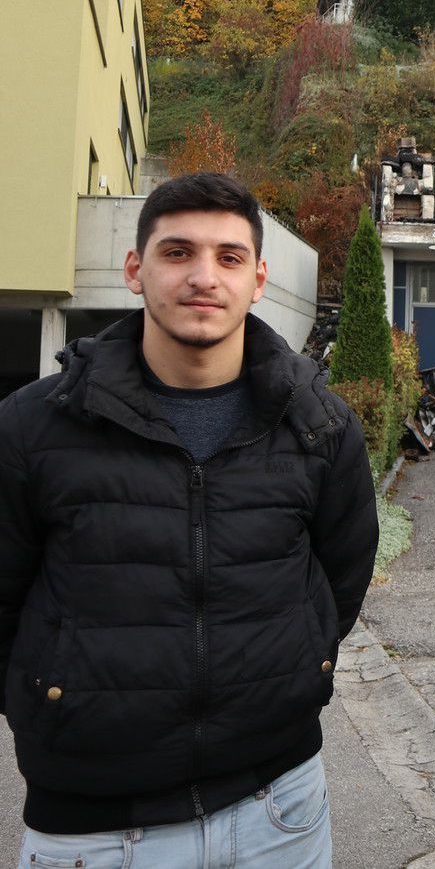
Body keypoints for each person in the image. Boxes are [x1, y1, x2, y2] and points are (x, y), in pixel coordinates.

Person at [0, 173, 379, 868]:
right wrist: (53, 702)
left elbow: (340, 577)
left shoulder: (319, 427)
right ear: (135, 269)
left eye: (229, 257)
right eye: (178, 252)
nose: (204, 276)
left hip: (281, 809)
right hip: (93, 831)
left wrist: (298, 663)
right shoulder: (32, 426)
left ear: (259, 278)